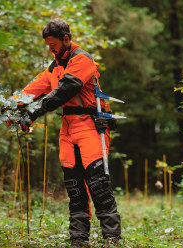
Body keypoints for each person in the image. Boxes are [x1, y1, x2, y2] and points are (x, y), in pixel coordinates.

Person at [10, 19, 121, 248]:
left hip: (90, 126)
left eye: (53, 44)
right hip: (68, 129)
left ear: (66, 39)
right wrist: (11, 105)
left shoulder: (82, 59)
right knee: (75, 188)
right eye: (48, 45)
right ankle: (78, 239)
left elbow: (65, 90)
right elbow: (33, 90)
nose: (50, 49)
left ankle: (112, 238)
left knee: (98, 184)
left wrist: (33, 112)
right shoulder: (53, 67)